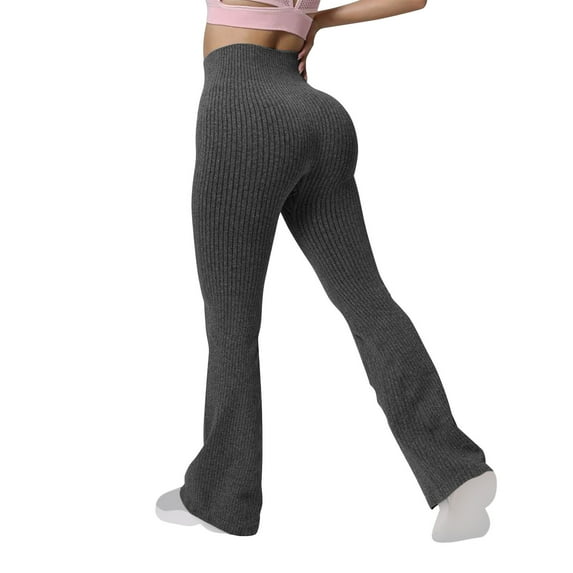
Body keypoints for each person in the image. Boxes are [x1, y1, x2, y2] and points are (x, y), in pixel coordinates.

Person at [155, 0, 497, 541]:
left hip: (241, 108)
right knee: (368, 302)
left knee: (231, 323)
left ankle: (222, 500)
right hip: (317, 113)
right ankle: (459, 476)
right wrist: (315, 19)